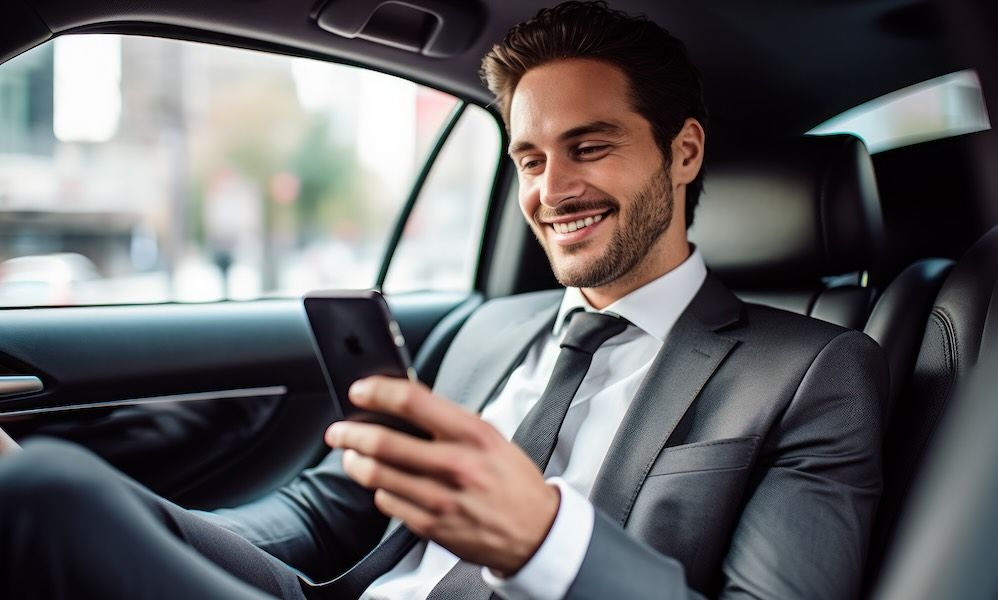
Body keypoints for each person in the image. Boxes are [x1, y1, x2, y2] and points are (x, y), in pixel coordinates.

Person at [0, 2, 886, 599]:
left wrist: (544, 539)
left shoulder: (813, 372)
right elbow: (333, 507)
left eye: (590, 146)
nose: (553, 189)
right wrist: (158, 530)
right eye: (531, 159)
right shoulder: (483, 332)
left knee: (47, 493)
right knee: (51, 494)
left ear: (683, 152)